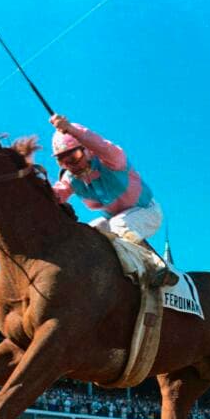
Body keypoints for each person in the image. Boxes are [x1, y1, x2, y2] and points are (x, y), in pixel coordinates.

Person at [49, 114, 177, 288]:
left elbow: (99, 143)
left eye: (75, 157)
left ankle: (158, 267)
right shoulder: (71, 179)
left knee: (120, 225)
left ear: (87, 150)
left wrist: (71, 129)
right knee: (87, 233)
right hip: (114, 218)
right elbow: (54, 195)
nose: (72, 165)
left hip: (147, 211)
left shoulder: (112, 160)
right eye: (63, 162)